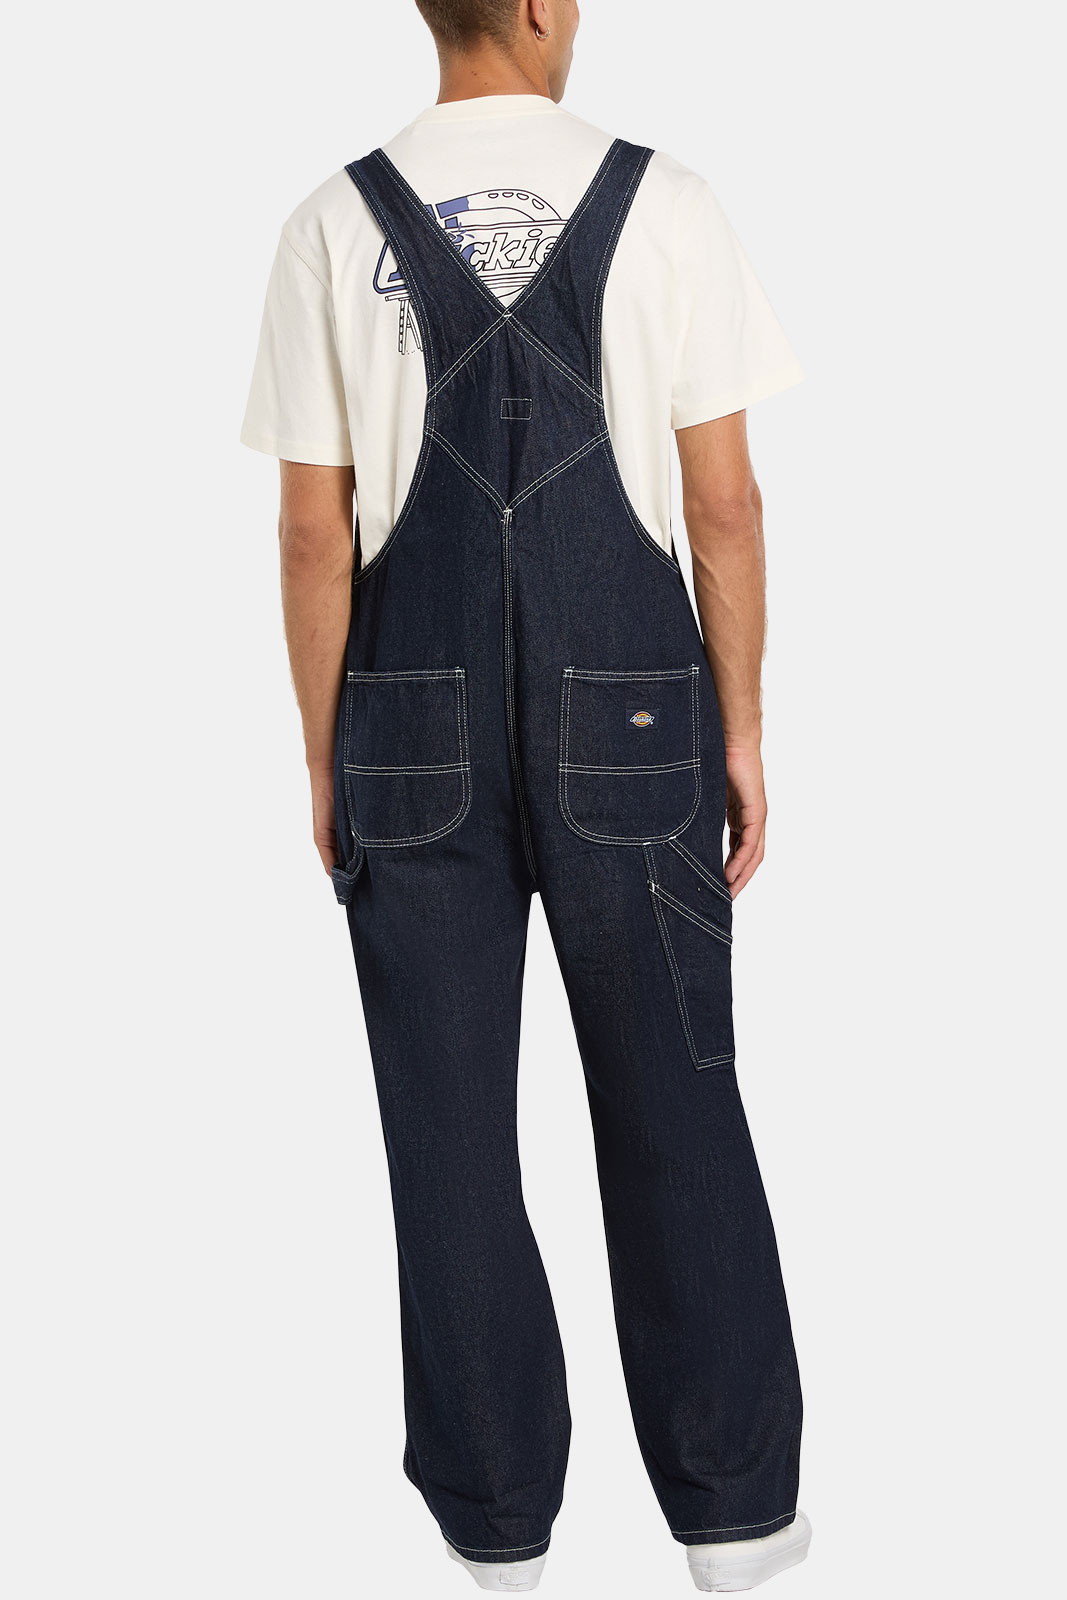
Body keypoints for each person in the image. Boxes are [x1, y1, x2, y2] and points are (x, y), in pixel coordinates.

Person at [241, 1, 810, 1591]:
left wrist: (323, 751)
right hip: (635, 713)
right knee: (677, 1105)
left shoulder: (328, 223)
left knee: (447, 1132)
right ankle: (737, 1521)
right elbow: (725, 507)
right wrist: (741, 729)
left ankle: (498, 1532)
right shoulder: (669, 203)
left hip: (402, 726)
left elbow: (311, 532)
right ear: (549, 7)